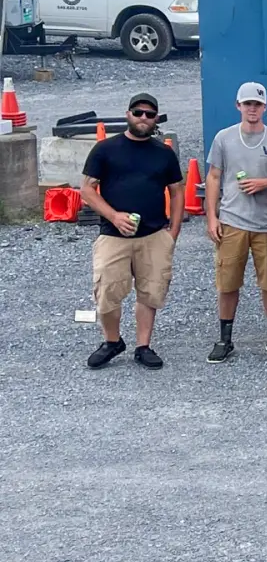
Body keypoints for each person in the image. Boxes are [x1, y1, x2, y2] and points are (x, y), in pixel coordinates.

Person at [81, 93, 184, 371]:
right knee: (107, 292)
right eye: (138, 113)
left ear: (155, 120)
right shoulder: (105, 149)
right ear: (128, 114)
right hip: (113, 236)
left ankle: (143, 346)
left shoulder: (163, 153)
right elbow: (87, 190)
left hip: (153, 235)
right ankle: (112, 341)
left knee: (150, 291)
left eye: (150, 115)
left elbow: (176, 191)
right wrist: (114, 216)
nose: (143, 118)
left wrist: (173, 230)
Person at [204, 82, 267, 363]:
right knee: (227, 282)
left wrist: (265, 182)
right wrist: (212, 216)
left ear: (265, 107)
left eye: (257, 104)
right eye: (247, 104)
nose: (252, 109)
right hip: (233, 221)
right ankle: (224, 338)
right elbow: (214, 177)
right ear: (238, 106)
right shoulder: (224, 138)